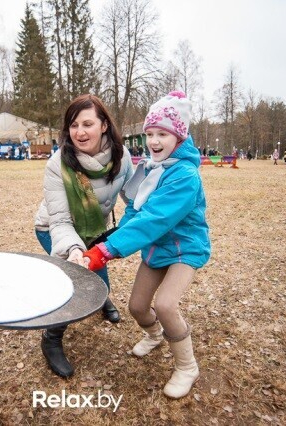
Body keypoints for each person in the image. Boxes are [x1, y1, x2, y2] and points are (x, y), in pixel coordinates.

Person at [82, 91, 211, 399]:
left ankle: (187, 366)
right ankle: (154, 336)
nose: (153, 141)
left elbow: (155, 218)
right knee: (138, 307)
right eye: (150, 133)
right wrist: (109, 238)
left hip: (184, 250)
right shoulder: (150, 167)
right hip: (156, 249)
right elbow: (135, 209)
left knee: (165, 305)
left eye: (162, 134)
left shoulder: (185, 175)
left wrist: (107, 251)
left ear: (179, 136)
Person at [33, 94, 134, 378]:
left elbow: (135, 201)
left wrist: (131, 231)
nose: (79, 132)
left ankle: (102, 298)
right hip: (55, 228)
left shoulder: (122, 157)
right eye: (74, 125)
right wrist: (74, 250)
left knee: (99, 283)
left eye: (87, 124)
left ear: (104, 125)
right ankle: (51, 338)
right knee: (75, 282)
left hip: (95, 228)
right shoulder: (58, 164)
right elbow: (61, 220)